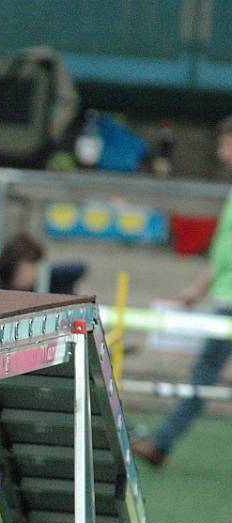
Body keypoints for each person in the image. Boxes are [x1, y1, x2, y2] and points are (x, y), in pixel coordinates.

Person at [133, 116, 232, 467]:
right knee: (203, 376)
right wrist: (196, 290)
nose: (221, 152)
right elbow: (223, 252)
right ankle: (161, 442)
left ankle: (161, 443)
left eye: (225, 143)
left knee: (203, 376)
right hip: (224, 299)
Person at [0, 233, 88, 294]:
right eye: (30, 266)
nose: (34, 273)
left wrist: (46, 273)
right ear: (13, 265)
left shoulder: (39, 289)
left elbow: (79, 268)